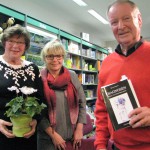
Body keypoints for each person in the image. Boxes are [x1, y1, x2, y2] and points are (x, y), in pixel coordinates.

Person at [94, 0, 150, 150]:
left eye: (126, 18)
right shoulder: (106, 63)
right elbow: (101, 109)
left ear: (139, 19)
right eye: (114, 22)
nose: (120, 26)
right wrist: (100, 144)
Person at [0, 24, 46, 150]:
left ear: (26, 46)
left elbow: (40, 98)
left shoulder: (32, 68)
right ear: (4, 42)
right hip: (1, 132)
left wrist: (35, 120)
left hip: (27, 134)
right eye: (11, 41)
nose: (15, 46)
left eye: (20, 42)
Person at [37, 39, 86, 150]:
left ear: (63, 57)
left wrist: (79, 129)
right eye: (50, 56)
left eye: (58, 56)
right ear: (44, 58)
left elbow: (82, 102)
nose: (55, 60)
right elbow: (37, 111)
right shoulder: (38, 78)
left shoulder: (72, 76)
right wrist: (53, 135)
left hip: (73, 136)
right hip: (48, 139)